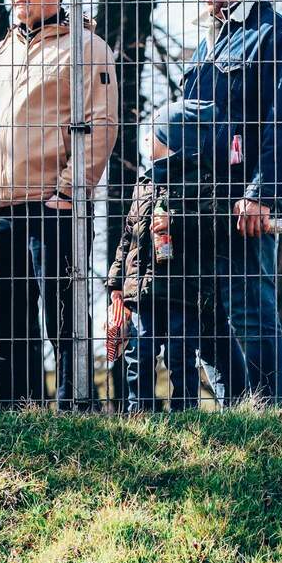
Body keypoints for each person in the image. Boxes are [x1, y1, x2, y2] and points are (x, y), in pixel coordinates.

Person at [0, 0, 119, 408]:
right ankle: (19, 416)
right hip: (0, 208)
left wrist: (70, 190)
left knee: (63, 315)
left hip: (55, 205)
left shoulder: (87, 47)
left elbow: (102, 122)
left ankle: (77, 409)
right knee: (8, 323)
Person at [183, 0, 282, 405]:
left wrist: (263, 192)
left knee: (251, 307)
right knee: (204, 313)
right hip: (199, 202)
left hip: (245, 201)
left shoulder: (277, 35)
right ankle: (237, 413)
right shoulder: (207, 44)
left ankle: (265, 413)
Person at [105, 101, 247, 411]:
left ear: (172, 140)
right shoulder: (143, 185)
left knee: (180, 353)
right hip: (143, 290)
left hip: (184, 289)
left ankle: (185, 410)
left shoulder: (200, 182)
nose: (146, 140)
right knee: (139, 352)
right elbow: (127, 237)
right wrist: (116, 283)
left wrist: (176, 222)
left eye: (154, 134)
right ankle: (139, 410)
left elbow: (214, 225)